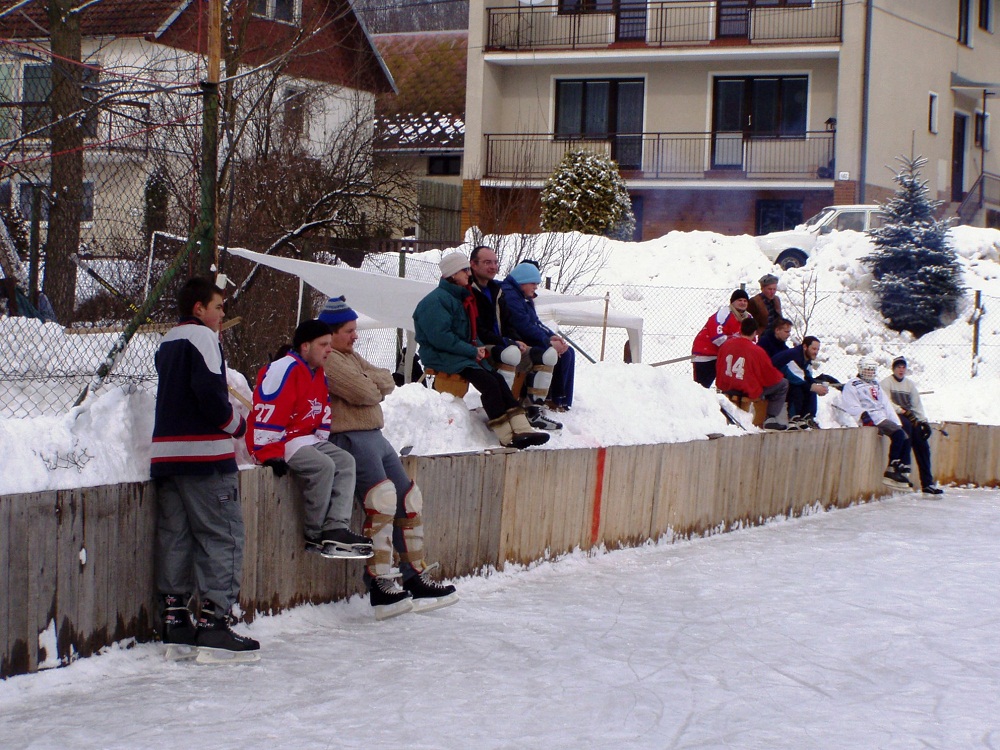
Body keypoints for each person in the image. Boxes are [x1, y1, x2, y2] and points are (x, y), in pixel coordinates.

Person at [319, 296, 460, 619]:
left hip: (376, 436)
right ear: (331, 333)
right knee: (380, 501)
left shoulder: (351, 357)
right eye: (349, 331)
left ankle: (415, 574)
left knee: (408, 498)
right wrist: (371, 386)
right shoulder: (330, 360)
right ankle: (379, 581)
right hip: (351, 437)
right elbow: (365, 391)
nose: (355, 336)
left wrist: (371, 384)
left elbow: (387, 379)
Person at [151, 276, 259, 661]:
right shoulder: (204, 338)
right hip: (205, 458)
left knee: (176, 536)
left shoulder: (168, 340)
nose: (222, 314)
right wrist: (238, 426)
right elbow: (212, 397)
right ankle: (215, 623)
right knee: (223, 534)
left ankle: (176, 619)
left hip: (167, 457)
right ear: (199, 309)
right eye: (218, 306)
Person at [248, 319, 373, 560]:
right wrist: (268, 452)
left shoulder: (318, 371)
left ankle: (335, 528)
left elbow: (322, 407)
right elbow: (269, 407)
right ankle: (314, 534)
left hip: (305, 438)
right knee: (323, 466)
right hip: (283, 439)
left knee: (345, 461)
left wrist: (321, 437)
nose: (329, 350)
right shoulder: (285, 368)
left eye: (329, 344)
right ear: (305, 346)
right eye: (323, 344)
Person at [413, 252, 549, 449]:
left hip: (459, 355)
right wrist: (471, 350)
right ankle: (506, 435)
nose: (469, 274)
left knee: (498, 379)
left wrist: (476, 347)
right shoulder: (435, 302)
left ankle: (522, 428)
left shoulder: (457, 298)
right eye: (464, 270)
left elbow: (468, 332)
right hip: (442, 357)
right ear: (452, 274)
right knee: (489, 384)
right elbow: (441, 338)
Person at [470, 248, 562, 430]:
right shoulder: (469, 290)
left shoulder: (496, 290)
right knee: (511, 353)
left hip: (503, 342)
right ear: (473, 264)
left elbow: (508, 322)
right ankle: (503, 410)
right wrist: (508, 342)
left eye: (495, 262)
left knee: (547, 355)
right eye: (487, 262)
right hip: (480, 344)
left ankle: (534, 410)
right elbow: (479, 329)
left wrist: (515, 339)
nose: (493, 266)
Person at [499, 261, 576, 413]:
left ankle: (560, 399)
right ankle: (552, 398)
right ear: (523, 281)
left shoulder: (522, 296)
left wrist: (552, 336)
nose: (536, 287)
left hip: (524, 336)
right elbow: (523, 325)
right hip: (517, 338)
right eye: (533, 283)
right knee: (558, 353)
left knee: (567, 351)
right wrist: (548, 342)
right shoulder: (512, 296)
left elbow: (535, 322)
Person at [839, 357, 913, 490]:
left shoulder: (875, 384)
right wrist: (863, 415)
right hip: (872, 417)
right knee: (899, 435)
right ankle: (891, 470)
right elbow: (850, 403)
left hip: (881, 416)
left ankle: (901, 469)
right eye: (867, 369)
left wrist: (896, 422)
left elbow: (886, 404)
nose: (869, 372)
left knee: (905, 436)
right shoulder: (853, 384)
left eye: (872, 370)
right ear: (860, 369)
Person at [881, 356, 943, 495]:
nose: (901, 370)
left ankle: (927, 483)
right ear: (893, 369)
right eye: (898, 367)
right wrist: (902, 411)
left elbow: (917, 405)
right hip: (894, 416)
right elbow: (886, 403)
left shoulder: (909, 385)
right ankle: (902, 466)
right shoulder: (886, 383)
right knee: (906, 428)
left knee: (922, 445)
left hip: (909, 417)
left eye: (903, 367)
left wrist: (923, 422)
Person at [716, 317, 790, 430]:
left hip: (727, 386)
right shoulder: (756, 350)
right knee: (783, 383)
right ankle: (770, 418)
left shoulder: (726, 345)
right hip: (746, 389)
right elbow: (770, 376)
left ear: (740, 329)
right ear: (755, 332)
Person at [691, 289, 753, 388]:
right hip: (706, 354)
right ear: (732, 302)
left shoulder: (749, 318)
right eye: (739, 300)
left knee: (729, 386)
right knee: (701, 387)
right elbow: (718, 338)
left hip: (728, 356)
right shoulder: (723, 313)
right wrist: (736, 348)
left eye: (745, 301)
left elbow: (752, 337)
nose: (742, 303)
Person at [772, 335, 829, 429]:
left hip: (785, 379)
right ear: (805, 347)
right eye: (813, 349)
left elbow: (807, 376)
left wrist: (817, 387)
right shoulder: (794, 356)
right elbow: (795, 378)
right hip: (772, 380)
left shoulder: (806, 358)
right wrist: (813, 387)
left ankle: (807, 416)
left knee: (810, 387)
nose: (816, 352)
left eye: (817, 349)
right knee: (797, 387)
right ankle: (793, 418)